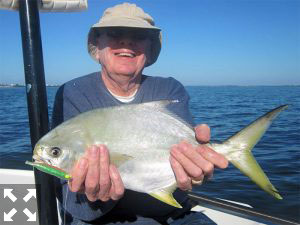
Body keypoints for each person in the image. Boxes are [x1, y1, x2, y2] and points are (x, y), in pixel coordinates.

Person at [52, 3, 228, 225]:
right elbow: (70, 194)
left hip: (171, 214)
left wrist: (197, 167)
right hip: (100, 218)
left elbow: (182, 161)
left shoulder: (170, 90)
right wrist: (98, 194)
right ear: (97, 45)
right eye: (114, 33)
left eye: (139, 35)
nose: (126, 42)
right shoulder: (73, 92)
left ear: (150, 49)